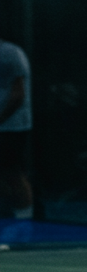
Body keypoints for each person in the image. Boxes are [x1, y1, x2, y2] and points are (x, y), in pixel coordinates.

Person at [0, 37, 33, 220]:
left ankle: (26, 217)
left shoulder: (8, 53)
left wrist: (1, 118)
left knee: (12, 173)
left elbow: (18, 94)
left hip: (11, 127)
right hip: (5, 125)